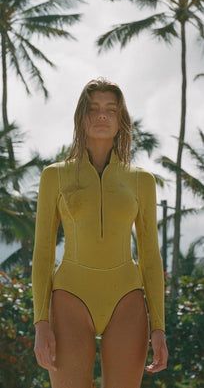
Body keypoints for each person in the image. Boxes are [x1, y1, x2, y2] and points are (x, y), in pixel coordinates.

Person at [32, 77, 168, 388]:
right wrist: (41, 323)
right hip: (70, 298)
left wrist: (159, 328)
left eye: (111, 109)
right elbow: (42, 253)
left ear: (122, 120)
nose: (102, 115)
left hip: (126, 299)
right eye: (93, 108)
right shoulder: (54, 176)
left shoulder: (141, 181)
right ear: (81, 118)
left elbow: (149, 257)